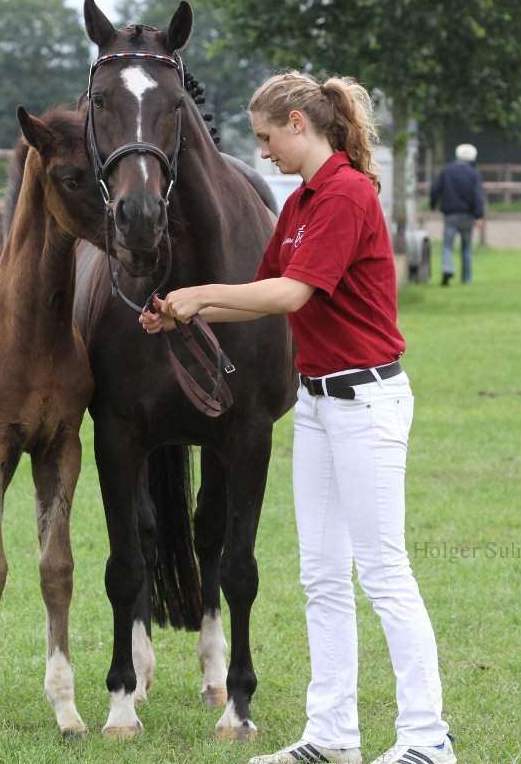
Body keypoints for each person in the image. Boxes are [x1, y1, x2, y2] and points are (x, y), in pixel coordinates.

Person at [140, 71, 454, 764]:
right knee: (320, 575)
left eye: (266, 138)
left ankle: (428, 740)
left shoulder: (346, 194)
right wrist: (179, 312)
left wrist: (196, 293)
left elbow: (292, 294)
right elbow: (260, 292)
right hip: (316, 404)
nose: (263, 154)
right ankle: (332, 735)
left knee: (382, 572)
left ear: (299, 125)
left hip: (366, 403)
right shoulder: (304, 200)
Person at [428, 144, 485, 286]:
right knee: (466, 248)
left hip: (450, 215)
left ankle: (447, 268)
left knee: (447, 245)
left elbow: (435, 188)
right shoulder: (474, 173)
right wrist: (479, 215)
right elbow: (478, 195)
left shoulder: (447, 170)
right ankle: (466, 280)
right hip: (467, 215)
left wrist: (433, 205)